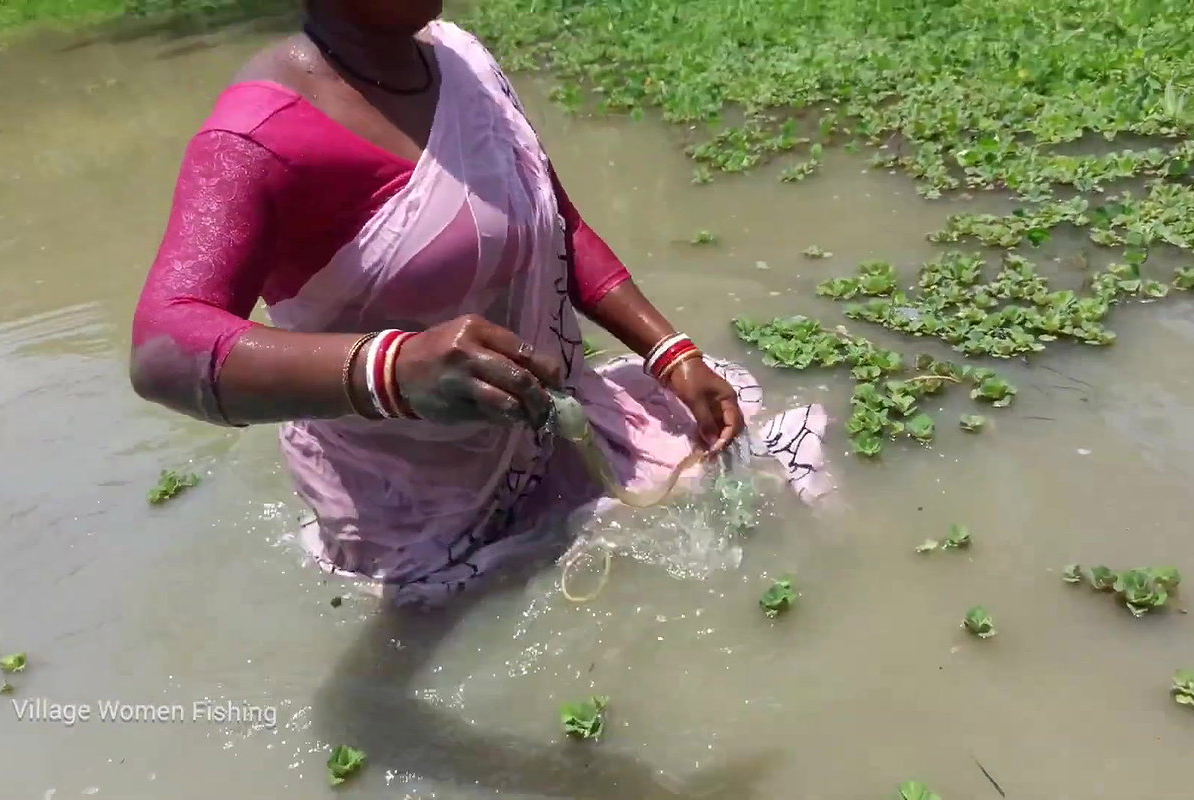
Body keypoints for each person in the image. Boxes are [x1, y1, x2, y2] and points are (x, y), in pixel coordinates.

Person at [129, 0, 829, 609]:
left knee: (782, 482)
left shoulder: (459, 62)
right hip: (412, 508)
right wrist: (394, 369)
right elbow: (165, 348)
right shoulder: (260, 138)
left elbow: (555, 221)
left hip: (549, 426)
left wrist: (670, 354)